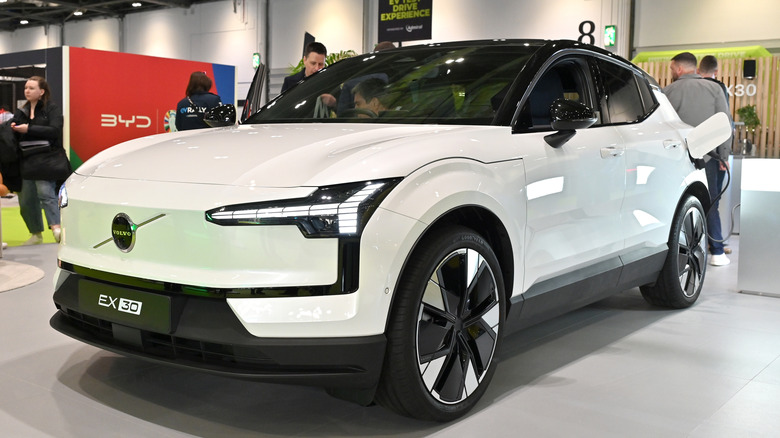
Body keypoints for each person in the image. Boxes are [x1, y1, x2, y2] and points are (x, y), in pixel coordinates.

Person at [664, 52, 733, 266]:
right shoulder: (715, 89)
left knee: (678, 203)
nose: (672, 71)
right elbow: (725, 123)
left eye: (672, 68)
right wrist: (723, 156)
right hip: (709, 157)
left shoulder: (667, 92)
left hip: (677, 158)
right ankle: (717, 253)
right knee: (710, 202)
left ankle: (680, 252)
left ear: (679, 68)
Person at [10, 76, 65, 245]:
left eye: (31, 88)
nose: (27, 91)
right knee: (26, 199)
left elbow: (55, 130)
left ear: (41, 92)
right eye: (26, 87)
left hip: (46, 160)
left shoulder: (52, 109)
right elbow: (12, 130)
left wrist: (29, 129)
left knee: (46, 194)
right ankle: (35, 233)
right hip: (26, 161)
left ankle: (56, 228)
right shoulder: (21, 111)